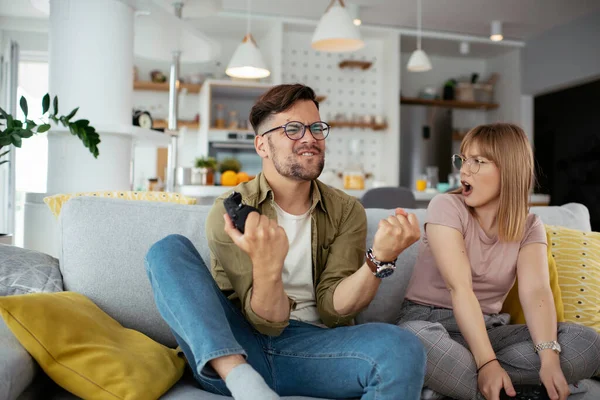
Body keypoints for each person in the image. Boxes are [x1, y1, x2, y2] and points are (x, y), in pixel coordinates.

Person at [145, 83, 426, 400]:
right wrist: (268, 267)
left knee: (402, 347)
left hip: (315, 348)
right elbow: (267, 323)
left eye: (316, 128)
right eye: (293, 129)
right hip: (237, 346)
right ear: (262, 146)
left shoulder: (346, 211)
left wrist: (379, 260)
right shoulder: (231, 212)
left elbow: (334, 310)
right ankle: (244, 382)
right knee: (167, 251)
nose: (310, 138)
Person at [398, 123, 600, 400]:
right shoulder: (445, 207)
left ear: (510, 169)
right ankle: (505, 388)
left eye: (478, 161)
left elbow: (536, 292)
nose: (464, 170)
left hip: (491, 330)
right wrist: (487, 363)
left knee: (587, 343)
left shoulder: (530, 225)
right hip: (432, 324)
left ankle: (451, 386)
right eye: (463, 159)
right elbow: (460, 288)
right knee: (412, 341)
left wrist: (549, 359)